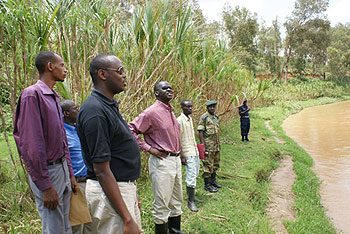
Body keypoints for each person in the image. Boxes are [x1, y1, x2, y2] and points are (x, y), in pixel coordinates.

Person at [76, 54, 142, 234]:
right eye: (120, 71)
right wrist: (127, 217)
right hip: (110, 193)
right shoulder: (95, 111)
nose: (124, 76)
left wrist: (131, 194)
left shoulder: (108, 105)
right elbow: (101, 170)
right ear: (102, 74)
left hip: (121, 189)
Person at [13, 51, 78, 234]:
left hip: (62, 169)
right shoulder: (32, 95)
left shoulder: (53, 96)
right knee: (54, 227)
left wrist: (70, 173)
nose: (65, 70)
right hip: (48, 172)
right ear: (50, 66)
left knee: (65, 225)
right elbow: (31, 144)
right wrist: (45, 186)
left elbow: (61, 139)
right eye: (62, 65)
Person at [129, 81, 184, 234]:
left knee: (176, 200)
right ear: (156, 93)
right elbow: (130, 129)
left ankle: (175, 231)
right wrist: (148, 148)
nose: (169, 90)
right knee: (162, 203)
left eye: (170, 87)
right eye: (164, 88)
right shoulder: (151, 113)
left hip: (175, 160)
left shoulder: (170, 111)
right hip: (162, 162)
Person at [60, 99, 88, 234]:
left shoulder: (80, 129)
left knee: (92, 224)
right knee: (78, 225)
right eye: (75, 108)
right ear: (66, 113)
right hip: (76, 183)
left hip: (90, 181)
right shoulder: (62, 134)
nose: (79, 110)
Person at [177, 100, 203, 212]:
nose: (190, 109)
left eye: (191, 107)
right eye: (187, 107)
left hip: (194, 151)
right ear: (182, 107)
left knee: (195, 173)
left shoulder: (190, 119)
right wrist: (181, 155)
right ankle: (190, 202)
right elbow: (177, 139)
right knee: (191, 176)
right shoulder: (179, 120)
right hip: (187, 152)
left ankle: (192, 196)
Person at [197, 100, 222, 193]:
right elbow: (200, 131)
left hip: (216, 145)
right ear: (207, 108)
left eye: (214, 107)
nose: (212, 108)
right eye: (210, 107)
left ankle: (213, 181)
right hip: (208, 145)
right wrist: (202, 145)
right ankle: (207, 185)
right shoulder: (204, 117)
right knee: (208, 165)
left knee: (215, 163)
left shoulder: (216, 117)